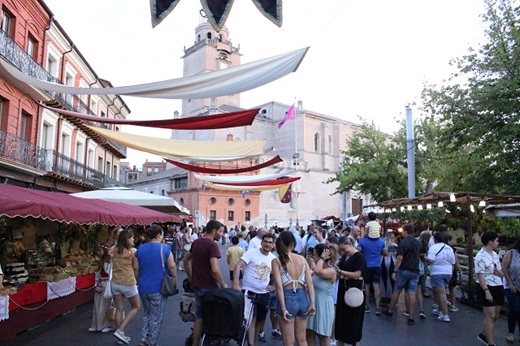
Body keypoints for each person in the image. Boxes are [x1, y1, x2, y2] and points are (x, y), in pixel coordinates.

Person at [183, 220, 228, 346]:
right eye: (220, 231)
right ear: (214, 231)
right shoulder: (212, 245)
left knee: (199, 317)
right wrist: (223, 284)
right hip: (210, 287)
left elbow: (186, 260)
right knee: (213, 315)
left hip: (198, 286)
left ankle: (195, 344)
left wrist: (190, 277)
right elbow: (214, 269)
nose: (221, 234)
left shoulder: (196, 242)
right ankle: (210, 340)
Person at [134, 225, 177, 346]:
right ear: (159, 235)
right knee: (156, 317)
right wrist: (175, 279)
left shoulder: (140, 248)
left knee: (147, 313)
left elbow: (135, 267)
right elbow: (172, 266)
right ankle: (151, 342)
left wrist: (138, 280)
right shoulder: (165, 249)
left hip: (143, 287)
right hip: (158, 287)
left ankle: (144, 337)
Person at [272, 231, 315, 346]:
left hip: (287, 298)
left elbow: (279, 287)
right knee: (302, 339)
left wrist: (283, 308)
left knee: (288, 342)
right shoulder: (302, 259)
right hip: (303, 298)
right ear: (292, 244)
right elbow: (310, 283)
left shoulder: (276, 261)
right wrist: (312, 303)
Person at [233, 233, 276, 346]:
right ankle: (250, 343)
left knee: (259, 321)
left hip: (264, 293)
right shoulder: (251, 253)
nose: (267, 244)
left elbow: (280, 274)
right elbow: (238, 266)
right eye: (265, 241)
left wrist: (274, 286)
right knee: (250, 319)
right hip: (249, 292)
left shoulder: (273, 258)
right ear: (261, 242)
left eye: (270, 242)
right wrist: (236, 283)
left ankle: (253, 343)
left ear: (273, 245)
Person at [382, 223, 421, 325]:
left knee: (397, 291)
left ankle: (390, 311)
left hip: (404, 270)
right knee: (412, 293)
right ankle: (411, 316)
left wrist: (395, 271)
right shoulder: (418, 243)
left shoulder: (403, 243)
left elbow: (399, 258)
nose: (402, 233)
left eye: (403, 231)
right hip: (415, 270)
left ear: (406, 232)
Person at [109, 229, 141, 345]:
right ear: (127, 239)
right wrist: (137, 280)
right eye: (132, 237)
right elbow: (136, 268)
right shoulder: (132, 252)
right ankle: (121, 330)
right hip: (128, 282)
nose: (133, 239)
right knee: (136, 306)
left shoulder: (113, 250)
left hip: (115, 282)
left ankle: (120, 336)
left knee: (119, 309)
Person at [334, 236, 367, 346]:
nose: (342, 252)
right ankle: (341, 342)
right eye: (341, 250)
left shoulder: (359, 258)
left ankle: (354, 343)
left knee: (354, 320)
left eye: (343, 249)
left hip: (354, 291)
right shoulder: (345, 256)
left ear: (349, 244)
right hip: (344, 288)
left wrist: (341, 272)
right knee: (342, 319)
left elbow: (357, 274)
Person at [89, 227, 120, 333]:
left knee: (104, 306)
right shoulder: (102, 261)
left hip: (106, 285)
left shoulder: (108, 261)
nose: (98, 252)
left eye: (100, 250)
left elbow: (108, 272)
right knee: (99, 306)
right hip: (101, 285)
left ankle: (105, 325)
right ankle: (98, 324)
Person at [476, 231, 504, 346]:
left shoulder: (495, 255)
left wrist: (500, 273)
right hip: (486, 286)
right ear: (490, 242)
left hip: (498, 285)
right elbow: (480, 275)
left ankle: (483, 334)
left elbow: (500, 271)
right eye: (496, 241)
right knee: (490, 316)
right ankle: (491, 343)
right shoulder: (480, 256)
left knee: (495, 316)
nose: (498, 243)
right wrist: (486, 291)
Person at [306, 243, 337, 346]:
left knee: (323, 336)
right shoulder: (318, 270)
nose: (312, 257)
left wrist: (322, 258)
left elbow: (317, 270)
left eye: (314, 255)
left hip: (324, 306)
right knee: (309, 333)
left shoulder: (331, 271)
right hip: (314, 303)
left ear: (321, 257)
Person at [358, 223, 387, 315]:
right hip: (377, 266)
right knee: (376, 286)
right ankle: (377, 307)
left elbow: (358, 251)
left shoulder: (363, 241)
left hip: (366, 266)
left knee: (366, 286)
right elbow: (385, 253)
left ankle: (367, 306)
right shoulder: (381, 242)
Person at [426, 231, 455, 322]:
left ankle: (445, 314)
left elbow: (431, 260)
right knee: (441, 292)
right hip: (447, 272)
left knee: (441, 293)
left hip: (437, 272)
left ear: (434, 239)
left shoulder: (433, 248)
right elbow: (453, 262)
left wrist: (424, 258)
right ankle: (439, 309)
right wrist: (450, 272)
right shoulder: (449, 248)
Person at [502, 237, 520, 344]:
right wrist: (510, 283)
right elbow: (504, 268)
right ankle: (511, 332)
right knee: (515, 309)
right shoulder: (511, 253)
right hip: (511, 287)